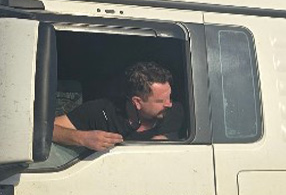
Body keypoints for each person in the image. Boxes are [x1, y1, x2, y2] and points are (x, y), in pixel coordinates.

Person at [52, 61, 186, 152]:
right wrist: (82, 138)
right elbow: (46, 129)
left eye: (169, 97)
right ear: (137, 102)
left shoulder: (176, 112)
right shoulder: (101, 112)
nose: (169, 104)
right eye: (160, 101)